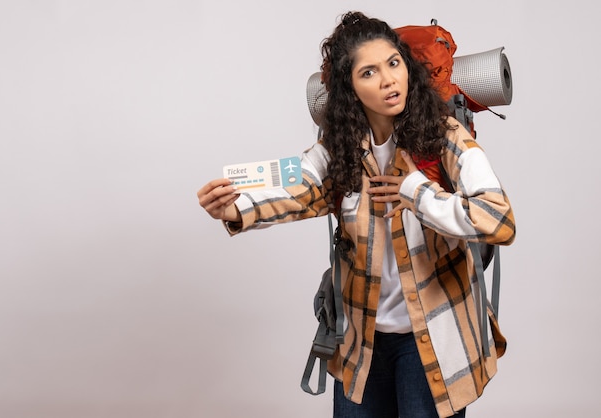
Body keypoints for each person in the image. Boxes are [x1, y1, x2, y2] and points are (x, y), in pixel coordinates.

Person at [197, 10, 515, 418]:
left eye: (394, 63)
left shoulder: (445, 134)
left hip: (433, 339)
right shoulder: (341, 146)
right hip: (362, 340)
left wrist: (416, 192)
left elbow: (498, 218)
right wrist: (236, 208)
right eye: (369, 72)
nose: (388, 80)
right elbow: (303, 185)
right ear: (350, 88)